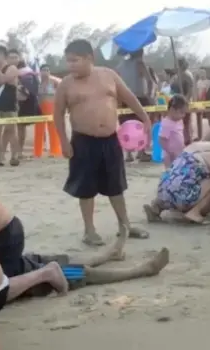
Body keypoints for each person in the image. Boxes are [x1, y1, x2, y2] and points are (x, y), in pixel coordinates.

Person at [0, 177, 169, 305]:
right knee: (36, 263)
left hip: (1, 238)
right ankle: (109, 254)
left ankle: (141, 270)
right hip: (2, 234)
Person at [53, 39, 152, 246]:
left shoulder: (108, 75)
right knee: (85, 187)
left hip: (110, 139)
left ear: (89, 58)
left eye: (75, 60)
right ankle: (89, 231)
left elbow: (130, 97)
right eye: (68, 61)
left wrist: (145, 118)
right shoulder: (66, 84)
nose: (70, 65)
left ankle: (124, 225)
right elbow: (58, 114)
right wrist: (63, 142)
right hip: (82, 141)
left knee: (116, 185)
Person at [115, 49, 154, 162]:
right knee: (142, 125)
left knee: (126, 125)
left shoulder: (120, 66)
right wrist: (149, 95)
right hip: (138, 98)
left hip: (123, 99)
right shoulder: (140, 63)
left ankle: (128, 154)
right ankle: (141, 152)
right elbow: (150, 81)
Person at [34, 64, 62, 157]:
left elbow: (63, 92)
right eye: (43, 70)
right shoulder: (37, 82)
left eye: (47, 70)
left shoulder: (55, 81)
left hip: (51, 106)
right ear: (40, 72)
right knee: (38, 130)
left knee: (53, 130)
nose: (45, 72)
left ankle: (55, 151)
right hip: (39, 107)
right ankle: (37, 152)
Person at [15, 60, 40, 159]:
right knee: (20, 129)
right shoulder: (31, 75)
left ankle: (18, 152)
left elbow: (27, 92)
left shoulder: (25, 76)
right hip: (25, 104)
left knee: (18, 129)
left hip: (20, 104)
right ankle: (18, 152)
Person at [159, 94, 188, 168]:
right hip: (169, 156)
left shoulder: (179, 121)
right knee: (170, 172)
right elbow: (162, 139)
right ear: (172, 110)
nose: (183, 115)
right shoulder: (166, 123)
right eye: (181, 112)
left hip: (179, 152)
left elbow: (180, 134)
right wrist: (169, 151)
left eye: (184, 113)